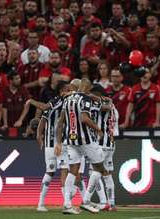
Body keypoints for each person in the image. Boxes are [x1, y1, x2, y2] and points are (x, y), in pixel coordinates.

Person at [55, 79, 110, 214]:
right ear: (87, 87)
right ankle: (86, 201)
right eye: (90, 87)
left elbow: (60, 122)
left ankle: (67, 204)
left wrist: (58, 142)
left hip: (70, 140)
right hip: (85, 140)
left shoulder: (67, 100)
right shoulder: (84, 98)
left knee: (73, 170)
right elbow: (84, 118)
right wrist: (98, 129)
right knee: (100, 167)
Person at [37, 81, 70, 212]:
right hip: (58, 143)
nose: (70, 92)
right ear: (63, 90)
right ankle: (67, 204)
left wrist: (39, 136)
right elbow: (60, 124)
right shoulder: (63, 102)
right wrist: (59, 142)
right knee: (64, 170)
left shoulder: (51, 104)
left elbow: (43, 120)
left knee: (49, 172)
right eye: (68, 89)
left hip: (49, 145)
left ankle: (40, 203)